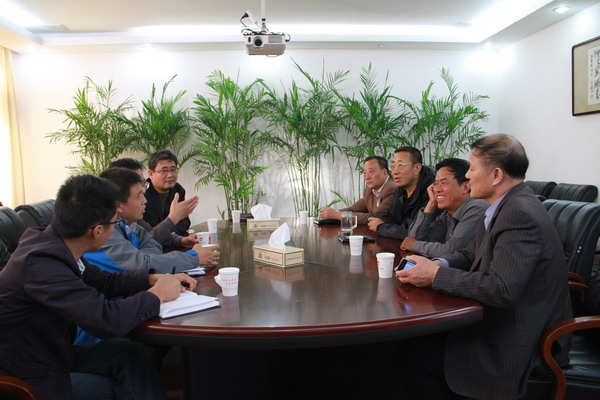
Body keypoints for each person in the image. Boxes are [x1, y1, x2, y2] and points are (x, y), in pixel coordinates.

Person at [395, 134, 572, 400]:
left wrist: (436, 276)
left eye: (472, 169)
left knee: (413, 360)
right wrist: (436, 263)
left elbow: (502, 289)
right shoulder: (505, 205)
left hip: (522, 340)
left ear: (497, 174)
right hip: (506, 322)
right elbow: (470, 253)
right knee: (416, 345)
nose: (468, 176)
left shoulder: (518, 213)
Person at [0, 174, 197, 400]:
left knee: (132, 353)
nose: (116, 229)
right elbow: (106, 320)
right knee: (114, 387)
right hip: (26, 374)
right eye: (115, 223)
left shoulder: (56, 243)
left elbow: (104, 281)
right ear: (97, 231)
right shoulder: (43, 264)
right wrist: (157, 295)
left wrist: (151, 279)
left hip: (52, 354)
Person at [84, 167, 219, 274]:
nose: (145, 201)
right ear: (118, 205)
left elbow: (153, 245)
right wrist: (193, 257)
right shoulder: (103, 230)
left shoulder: (129, 223)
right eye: (140, 195)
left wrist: (144, 259)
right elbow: (140, 266)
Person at [400, 158, 489, 258]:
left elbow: (452, 250)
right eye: (435, 183)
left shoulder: (477, 208)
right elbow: (414, 239)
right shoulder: (448, 213)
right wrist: (431, 204)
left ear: (465, 187)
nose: (437, 189)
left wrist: (415, 245)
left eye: (443, 183)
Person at [109, 157, 199, 248]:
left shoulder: (132, 220)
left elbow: (149, 237)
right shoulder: (107, 229)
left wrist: (179, 240)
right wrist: (172, 219)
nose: (143, 190)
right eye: (137, 183)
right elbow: (148, 246)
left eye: (143, 183)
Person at [367, 146, 435, 239]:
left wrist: (381, 227)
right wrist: (388, 227)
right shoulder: (401, 190)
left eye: (400, 165)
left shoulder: (432, 192)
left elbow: (413, 231)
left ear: (417, 168)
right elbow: (388, 217)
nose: (395, 172)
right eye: (393, 166)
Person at [319, 156, 396, 224]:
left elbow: (376, 217)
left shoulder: (392, 189)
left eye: (371, 172)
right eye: (365, 173)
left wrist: (338, 215)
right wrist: (332, 213)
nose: (367, 177)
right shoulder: (370, 189)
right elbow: (353, 209)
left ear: (384, 173)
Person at [144, 150, 192, 235]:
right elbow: (146, 228)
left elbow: (184, 222)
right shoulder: (142, 193)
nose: (170, 175)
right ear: (151, 174)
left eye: (173, 170)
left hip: (173, 239)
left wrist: (171, 235)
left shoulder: (178, 190)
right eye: (164, 170)